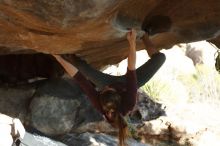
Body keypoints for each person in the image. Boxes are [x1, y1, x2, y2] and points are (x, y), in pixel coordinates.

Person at [52, 29, 165, 146]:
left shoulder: (99, 104)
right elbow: (131, 67)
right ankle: (145, 35)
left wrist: (59, 59)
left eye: (104, 90)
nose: (107, 88)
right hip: (129, 83)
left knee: (79, 65)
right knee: (160, 58)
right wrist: (132, 42)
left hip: (106, 82)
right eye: (109, 89)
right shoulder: (129, 102)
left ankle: (72, 58)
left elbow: (80, 79)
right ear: (118, 96)